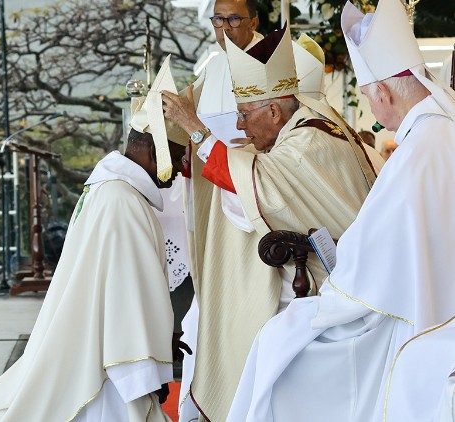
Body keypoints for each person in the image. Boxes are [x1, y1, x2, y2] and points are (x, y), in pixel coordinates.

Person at [226, 1, 455, 420]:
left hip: (416, 323)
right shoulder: (441, 129)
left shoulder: (420, 149)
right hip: (436, 308)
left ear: (383, 91)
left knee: (278, 344)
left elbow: (367, 278)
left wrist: (330, 296)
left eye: (369, 97)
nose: (374, 109)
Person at [162, 24, 381, 421]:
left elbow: (261, 186)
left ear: (275, 111)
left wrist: (195, 128)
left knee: (254, 331)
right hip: (345, 272)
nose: (241, 126)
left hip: (350, 290)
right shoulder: (311, 123)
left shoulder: (308, 145)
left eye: (245, 115)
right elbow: (265, 173)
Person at [0, 56, 189, 422]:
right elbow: (128, 298)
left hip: (93, 341)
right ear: (151, 148)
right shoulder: (123, 201)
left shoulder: (111, 188)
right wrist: (147, 373)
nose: (180, 170)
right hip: (105, 361)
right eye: (177, 157)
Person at [173, 1, 264, 420]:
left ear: (254, 22)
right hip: (211, 195)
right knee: (207, 302)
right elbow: (186, 124)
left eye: (233, 19)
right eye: (217, 19)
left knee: (240, 303)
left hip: (254, 201)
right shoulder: (212, 68)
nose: (224, 28)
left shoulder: (271, 61)